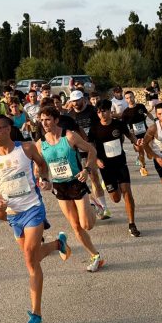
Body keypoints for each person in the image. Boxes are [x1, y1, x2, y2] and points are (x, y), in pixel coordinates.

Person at [0, 114, 70, 323]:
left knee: (30, 260)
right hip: (13, 215)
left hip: (32, 208)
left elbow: (42, 165)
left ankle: (36, 316)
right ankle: (58, 244)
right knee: (35, 256)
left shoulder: (27, 148)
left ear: (8, 129)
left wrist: (44, 178)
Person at [37, 106, 105, 272]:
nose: (44, 123)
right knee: (75, 226)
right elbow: (41, 166)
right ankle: (95, 256)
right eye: (42, 120)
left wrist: (87, 170)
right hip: (60, 187)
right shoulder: (41, 143)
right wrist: (43, 179)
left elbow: (91, 150)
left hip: (76, 181)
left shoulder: (69, 136)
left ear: (56, 120)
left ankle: (93, 206)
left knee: (86, 225)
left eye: (47, 119)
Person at [88, 99, 142, 237]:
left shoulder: (118, 124)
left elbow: (130, 136)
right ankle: (99, 201)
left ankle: (132, 224)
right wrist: (97, 159)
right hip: (106, 167)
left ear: (110, 111)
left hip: (120, 164)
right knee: (116, 198)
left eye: (104, 111)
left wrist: (136, 142)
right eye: (99, 112)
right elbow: (91, 146)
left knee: (127, 192)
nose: (102, 114)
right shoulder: (94, 128)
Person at [67, 90, 111, 219]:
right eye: (73, 101)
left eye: (78, 100)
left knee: (94, 178)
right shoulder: (70, 116)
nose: (75, 103)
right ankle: (95, 204)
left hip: (93, 148)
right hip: (77, 152)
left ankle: (104, 208)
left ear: (83, 100)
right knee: (81, 181)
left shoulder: (93, 111)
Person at [122, 90, 154, 176]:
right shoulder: (125, 113)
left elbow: (148, 113)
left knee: (150, 155)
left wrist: (155, 120)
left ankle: (144, 154)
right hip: (135, 136)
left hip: (146, 132)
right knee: (141, 152)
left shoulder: (141, 106)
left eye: (131, 97)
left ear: (134, 96)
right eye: (127, 98)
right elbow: (123, 126)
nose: (130, 99)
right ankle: (143, 167)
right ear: (125, 100)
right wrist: (129, 132)